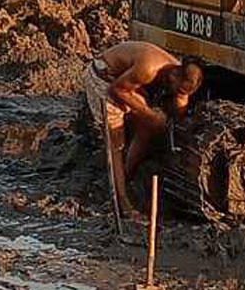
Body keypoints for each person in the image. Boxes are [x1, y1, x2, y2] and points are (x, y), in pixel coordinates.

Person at [82, 39, 204, 218]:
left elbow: (180, 104)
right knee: (116, 142)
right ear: (174, 75)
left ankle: (126, 175)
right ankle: (121, 201)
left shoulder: (178, 74)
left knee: (150, 125)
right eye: (177, 90)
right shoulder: (148, 69)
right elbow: (116, 90)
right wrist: (149, 114)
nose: (176, 94)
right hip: (104, 77)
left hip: (126, 80)